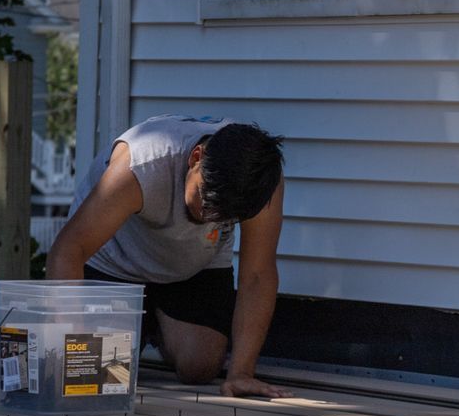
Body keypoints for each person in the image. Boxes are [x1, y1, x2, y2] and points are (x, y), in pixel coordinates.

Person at [48, 115, 290, 399]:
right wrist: (75, 350)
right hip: (115, 262)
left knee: (200, 366)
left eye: (226, 216)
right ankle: (135, 325)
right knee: (106, 366)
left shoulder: (258, 183)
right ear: (196, 158)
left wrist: (241, 373)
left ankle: (153, 324)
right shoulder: (142, 164)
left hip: (191, 266)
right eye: (206, 200)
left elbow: (258, 274)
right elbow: (68, 249)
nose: (210, 217)